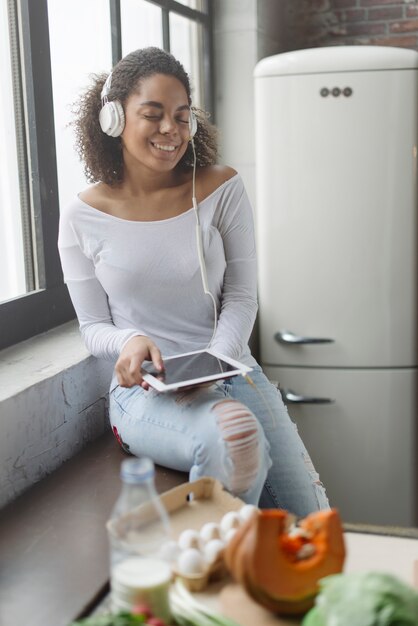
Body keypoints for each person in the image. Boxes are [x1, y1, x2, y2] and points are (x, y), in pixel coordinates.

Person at [58, 47, 329, 515]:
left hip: (232, 371)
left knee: (310, 521)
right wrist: (130, 340)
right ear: (113, 119)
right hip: (145, 394)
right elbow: (91, 326)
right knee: (236, 440)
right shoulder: (83, 216)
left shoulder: (222, 188)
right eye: (153, 114)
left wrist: (214, 363)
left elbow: (243, 296)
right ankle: (206, 569)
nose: (171, 130)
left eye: (182, 116)